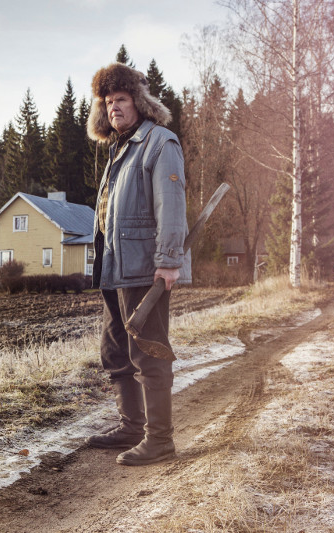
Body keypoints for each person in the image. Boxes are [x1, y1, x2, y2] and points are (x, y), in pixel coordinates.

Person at [85, 62, 190, 466]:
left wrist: (167, 263)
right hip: (115, 270)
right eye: (108, 102)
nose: (114, 108)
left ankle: (160, 440)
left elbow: (171, 207)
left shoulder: (159, 143)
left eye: (121, 100)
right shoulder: (119, 150)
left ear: (139, 102)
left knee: (149, 352)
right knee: (116, 351)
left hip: (145, 270)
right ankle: (132, 425)